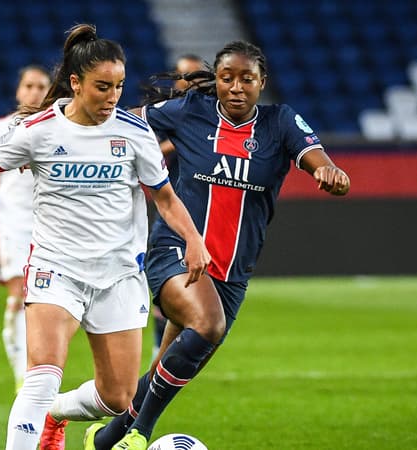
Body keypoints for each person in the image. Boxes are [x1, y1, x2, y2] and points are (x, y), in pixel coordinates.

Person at [0, 24, 210, 450]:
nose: (112, 97)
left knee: (119, 397)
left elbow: (165, 198)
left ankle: (56, 413)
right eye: (102, 87)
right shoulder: (39, 130)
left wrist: (193, 240)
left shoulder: (134, 132)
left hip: (120, 274)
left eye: (120, 87)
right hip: (56, 269)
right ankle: (38, 414)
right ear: (75, 82)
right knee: (40, 377)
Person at [83, 40, 351, 450]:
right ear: (218, 81)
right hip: (176, 251)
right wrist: (72, 130)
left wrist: (329, 171)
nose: (236, 87)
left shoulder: (280, 123)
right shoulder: (190, 112)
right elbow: (126, 122)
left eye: (247, 79)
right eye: (227, 78)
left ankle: (105, 440)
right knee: (208, 326)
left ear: (263, 82)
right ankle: (138, 435)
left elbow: (314, 154)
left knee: (169, 366)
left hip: (232, 271)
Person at [0, 65, 52, 393]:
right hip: (13, 222)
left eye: (42, 86)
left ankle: (28, 360)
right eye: (29, 85)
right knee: (22, 292)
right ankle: (24, 375)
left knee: (41, 299)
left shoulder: (58, 126)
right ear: (18, 91)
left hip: (49, 223)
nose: (35, 92)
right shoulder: (2, 127)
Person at [150, 54, 206, 362]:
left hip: (201, 204)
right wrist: (178, 141)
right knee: (168, 285)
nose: (192, 82)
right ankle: (159, 353)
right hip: (170, 201)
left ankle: (165, 356)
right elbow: (146, 148)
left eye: (198, 76)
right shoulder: (165, 114)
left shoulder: (208, 115)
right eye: (186, 76)